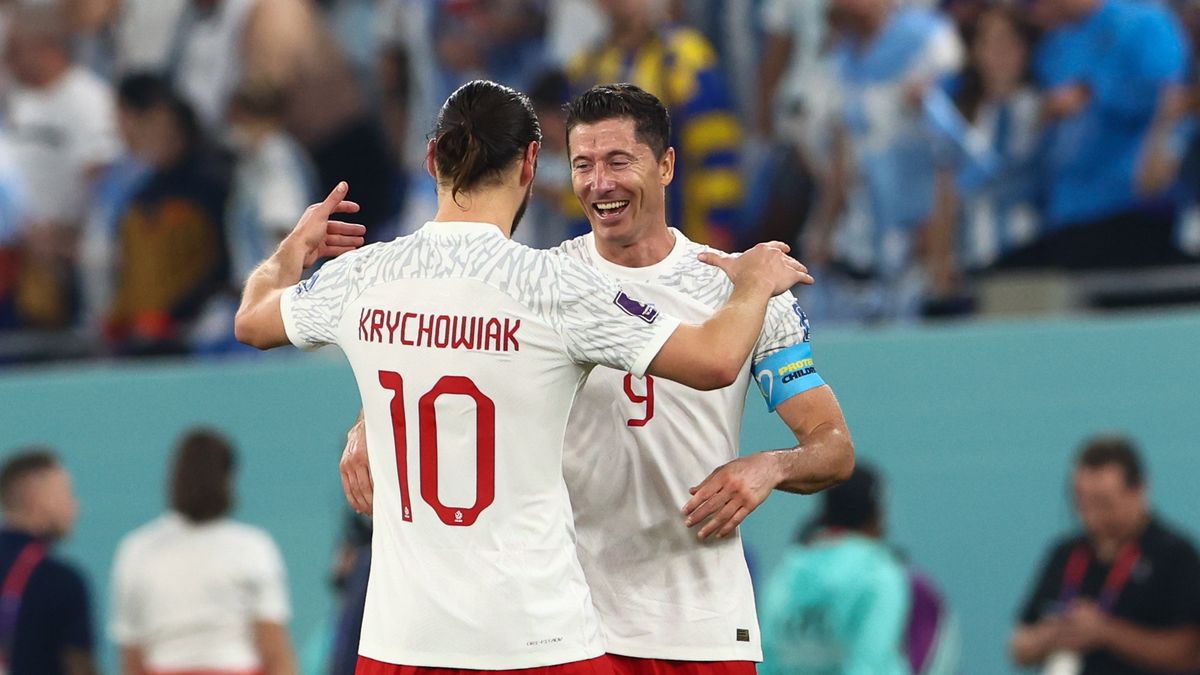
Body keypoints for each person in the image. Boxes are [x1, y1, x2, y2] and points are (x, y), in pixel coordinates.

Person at [233, 79, 810, 673]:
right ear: (533, 160)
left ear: (432, 157)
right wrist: (753, 282)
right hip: (535, 639)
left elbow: (251, 320)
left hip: (399, 641)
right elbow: (714, 359)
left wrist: (289, 252)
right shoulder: (552, 286)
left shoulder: (363, 274)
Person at [801, 0, 965, 324]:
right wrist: (823, 231)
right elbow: (840, 157)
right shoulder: (838, 59)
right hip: (862, 235)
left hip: (924, 231)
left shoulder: (932, 40)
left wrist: (941, 238)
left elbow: (952, 147)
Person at [997, 0, 1192, 269]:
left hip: (1129, 209)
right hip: (1063, 214)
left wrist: (1093, 94)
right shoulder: (1053, 45)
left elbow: (1172, 101)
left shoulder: (1144, 23)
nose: (1034, 9)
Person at [110, 427, 296, 675]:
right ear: (228, 479)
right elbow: (275, 653)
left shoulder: (136, 550)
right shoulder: (253, 548)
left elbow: (132, 657)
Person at [1010, 434, 1200, 674]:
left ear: (1139, 490)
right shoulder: (1065, 553)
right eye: (1080, 502)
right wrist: (1052, 635)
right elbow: (1018, 646)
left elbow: (1190, 652)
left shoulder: (1174, 556)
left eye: (1103, 503)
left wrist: (1105, 632)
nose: (1089, 516)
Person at [569, 0, 746, 251]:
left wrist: (718, 226)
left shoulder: (687, 58)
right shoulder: (588, 66)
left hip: (683, 233)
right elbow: (578, 163)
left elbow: (717, 150)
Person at [4, 4, 122, 329]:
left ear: (47, 47)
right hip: (20, 250)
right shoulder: (16, 98)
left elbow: (101, 176)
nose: (8, 60)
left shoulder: (86, 98)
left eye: (14, 50)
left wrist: (69, 233)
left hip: (67, 249)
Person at [105, 73, 231, 356]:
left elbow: (220, 261)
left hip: (200, 328)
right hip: (143, 332)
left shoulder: (215, 184)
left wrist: (176, 315)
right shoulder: (140, 193)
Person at [758, 465, 911, 675]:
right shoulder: (880, 574)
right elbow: (869, 665)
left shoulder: (788, 571)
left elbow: (767, 660)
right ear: (876, 515)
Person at [0, 448, 98, 675]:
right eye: (67, 494)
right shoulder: (61, 582)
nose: (76, 506)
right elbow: (80, 667)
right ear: (39, 498)